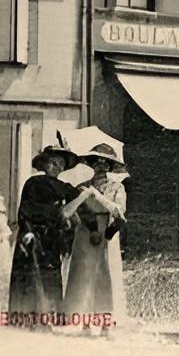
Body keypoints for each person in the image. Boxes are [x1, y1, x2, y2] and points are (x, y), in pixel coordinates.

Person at [62, 142, 128, 334]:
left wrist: (99, 197)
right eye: (96, 162)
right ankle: (85, 321)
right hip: (85, 232)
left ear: (110, 166)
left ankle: (106, 322)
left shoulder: (117, 188)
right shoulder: (82, 187)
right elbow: (73, 211)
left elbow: (119, 211)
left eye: (105, 163)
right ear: (90, 164)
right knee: (83, 276)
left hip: (107, 232)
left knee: (105, 276)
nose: (100, 166)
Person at [9, 143, 76, 322]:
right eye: (53, 163)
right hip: (33, 235)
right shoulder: (35, 182)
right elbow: (26, 210)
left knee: (50, 274)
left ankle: (49, 315)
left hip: (51, 237)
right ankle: (28, 317)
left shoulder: (60, 185)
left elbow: (72, 196)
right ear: (45, 164)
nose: (57, 168)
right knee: (32, 274)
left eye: (61, 165)